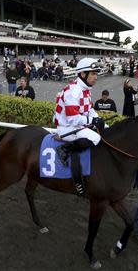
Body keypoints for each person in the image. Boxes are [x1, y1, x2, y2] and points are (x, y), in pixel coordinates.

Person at [54, 58, 105, 195]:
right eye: (93, 74)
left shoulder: (84, 89)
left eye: (96, 74)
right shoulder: (73, 91)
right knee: (95, 138)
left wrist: (101, 121)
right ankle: (65, 149)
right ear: (83, 74)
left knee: (103, 131)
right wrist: (92, 121)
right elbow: (73, 119)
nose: (96, 77)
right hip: (66, 127)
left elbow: (89, 110)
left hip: (76, 124)